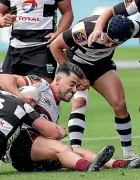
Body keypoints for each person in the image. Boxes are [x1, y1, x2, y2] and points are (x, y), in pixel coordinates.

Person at [0, 62, 140, 172]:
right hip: (19, 145)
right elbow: (1, 78)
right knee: (62, 149)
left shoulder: (56, 106)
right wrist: (20, 96)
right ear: (57, 80)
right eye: (72, 84)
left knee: (77, 150)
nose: (74, 90)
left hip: (32, 153)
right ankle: (89, 167)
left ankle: (121, 164)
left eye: (76, 86)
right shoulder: (41, 85)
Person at [49, 15, 140, 160]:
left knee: (120, 104)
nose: (110, 45)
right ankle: (76, 152)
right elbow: (55, 46)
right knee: (80, 102)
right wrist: (74, 75)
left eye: (115, 43)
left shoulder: (131, 27)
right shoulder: (84, 30)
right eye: (108, 40)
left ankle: (129, 154)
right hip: (76, 63)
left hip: (101, 65)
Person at [0, 0, 74, 83]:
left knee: (42, 89)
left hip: (42, 49)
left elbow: (67, 13)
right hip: (15, 49)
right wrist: (1, 20)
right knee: (5, 87)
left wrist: (58, 32)